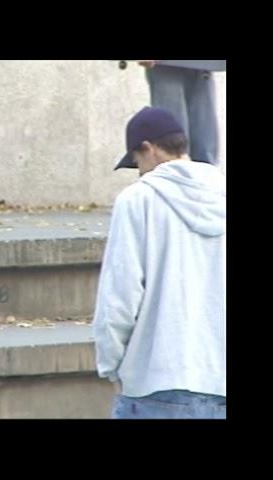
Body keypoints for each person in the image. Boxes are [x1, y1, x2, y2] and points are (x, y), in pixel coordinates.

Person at [92, 106, 226, 419]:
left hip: (155, 381)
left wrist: (111, 366)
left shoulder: (137, 200)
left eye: (136, 161)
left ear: (148, 150)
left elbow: (119, 297)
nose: (139, 171)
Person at [138, 60, 220, 166]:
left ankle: (204, 180)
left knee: (204, 149)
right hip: (165, 65)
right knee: (173, 146)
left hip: (203, 65)